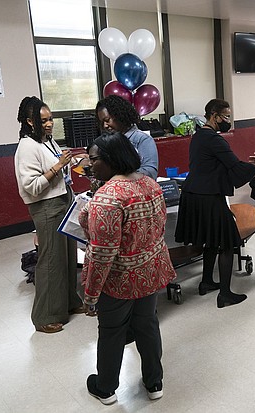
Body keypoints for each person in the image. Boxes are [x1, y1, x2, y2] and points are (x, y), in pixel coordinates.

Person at [80, 133, 176, 405]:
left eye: (94, 160)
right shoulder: (150, 184)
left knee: (111, 331)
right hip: (149, 273)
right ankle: (154, 381)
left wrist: (90, 294)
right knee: (147, 325)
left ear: (111, 159)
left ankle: (106, 387)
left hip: (119, 281)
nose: (91, 165)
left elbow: (102, 254)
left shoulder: (108, 198)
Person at [175, 99, 255, 307]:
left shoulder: (198, 136)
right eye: (226, 116)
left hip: (193, 194)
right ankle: (225, 294)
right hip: (209, 196)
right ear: (214, 115)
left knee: (211, 240)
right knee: (227, 242)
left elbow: (225, 166)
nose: (228, 121)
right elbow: (237, 168)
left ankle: (207, 282)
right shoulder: (215, 140)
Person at [14, 98, 84, 334]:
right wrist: (57, 167)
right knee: (50, 261)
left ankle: (69, 303)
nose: (49, 124)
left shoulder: (46, 141)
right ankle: (45, 316)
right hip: (45, 207)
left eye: (50, 119)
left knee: (67, 256)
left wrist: (71, 162)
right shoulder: (26, 147)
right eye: (43, 120)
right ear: (29, 121)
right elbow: (31, 186)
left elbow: (58, 167)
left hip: (62, 201)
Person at [95, 95, 159, 180]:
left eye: (107, 120)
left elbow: (151, 172)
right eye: (101, 122)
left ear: (119, 115)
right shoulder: (106, 142)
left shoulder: (142, 139)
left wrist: (122, 177)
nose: (105, 126)